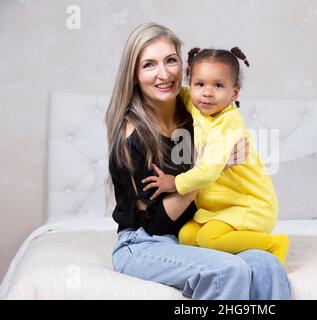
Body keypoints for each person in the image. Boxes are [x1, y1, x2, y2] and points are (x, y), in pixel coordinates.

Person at [106, 22, 292, 299]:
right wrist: (215, 168)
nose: (164, 73)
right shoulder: (132, 136)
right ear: (133, 75)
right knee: (227, 270)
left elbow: (225, 106)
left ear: (184, 66)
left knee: (265, 264)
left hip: (190, 234)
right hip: (144, 242)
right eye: (149, 65)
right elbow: (156, 224)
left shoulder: (196, 112)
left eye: (170, 60)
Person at [142, 47, 289, 265]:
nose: (207, 92)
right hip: (218, 208)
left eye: (218, 85)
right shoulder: (198, 105)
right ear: (191, 85)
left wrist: (174, 182)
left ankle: (274, 244)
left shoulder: (228, 123)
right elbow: (175, 91)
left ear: (234, 93)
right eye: (200, 84)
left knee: (209, 238)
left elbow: (208, 171)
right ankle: (224, 257)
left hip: (250, 206)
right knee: (187, 237)